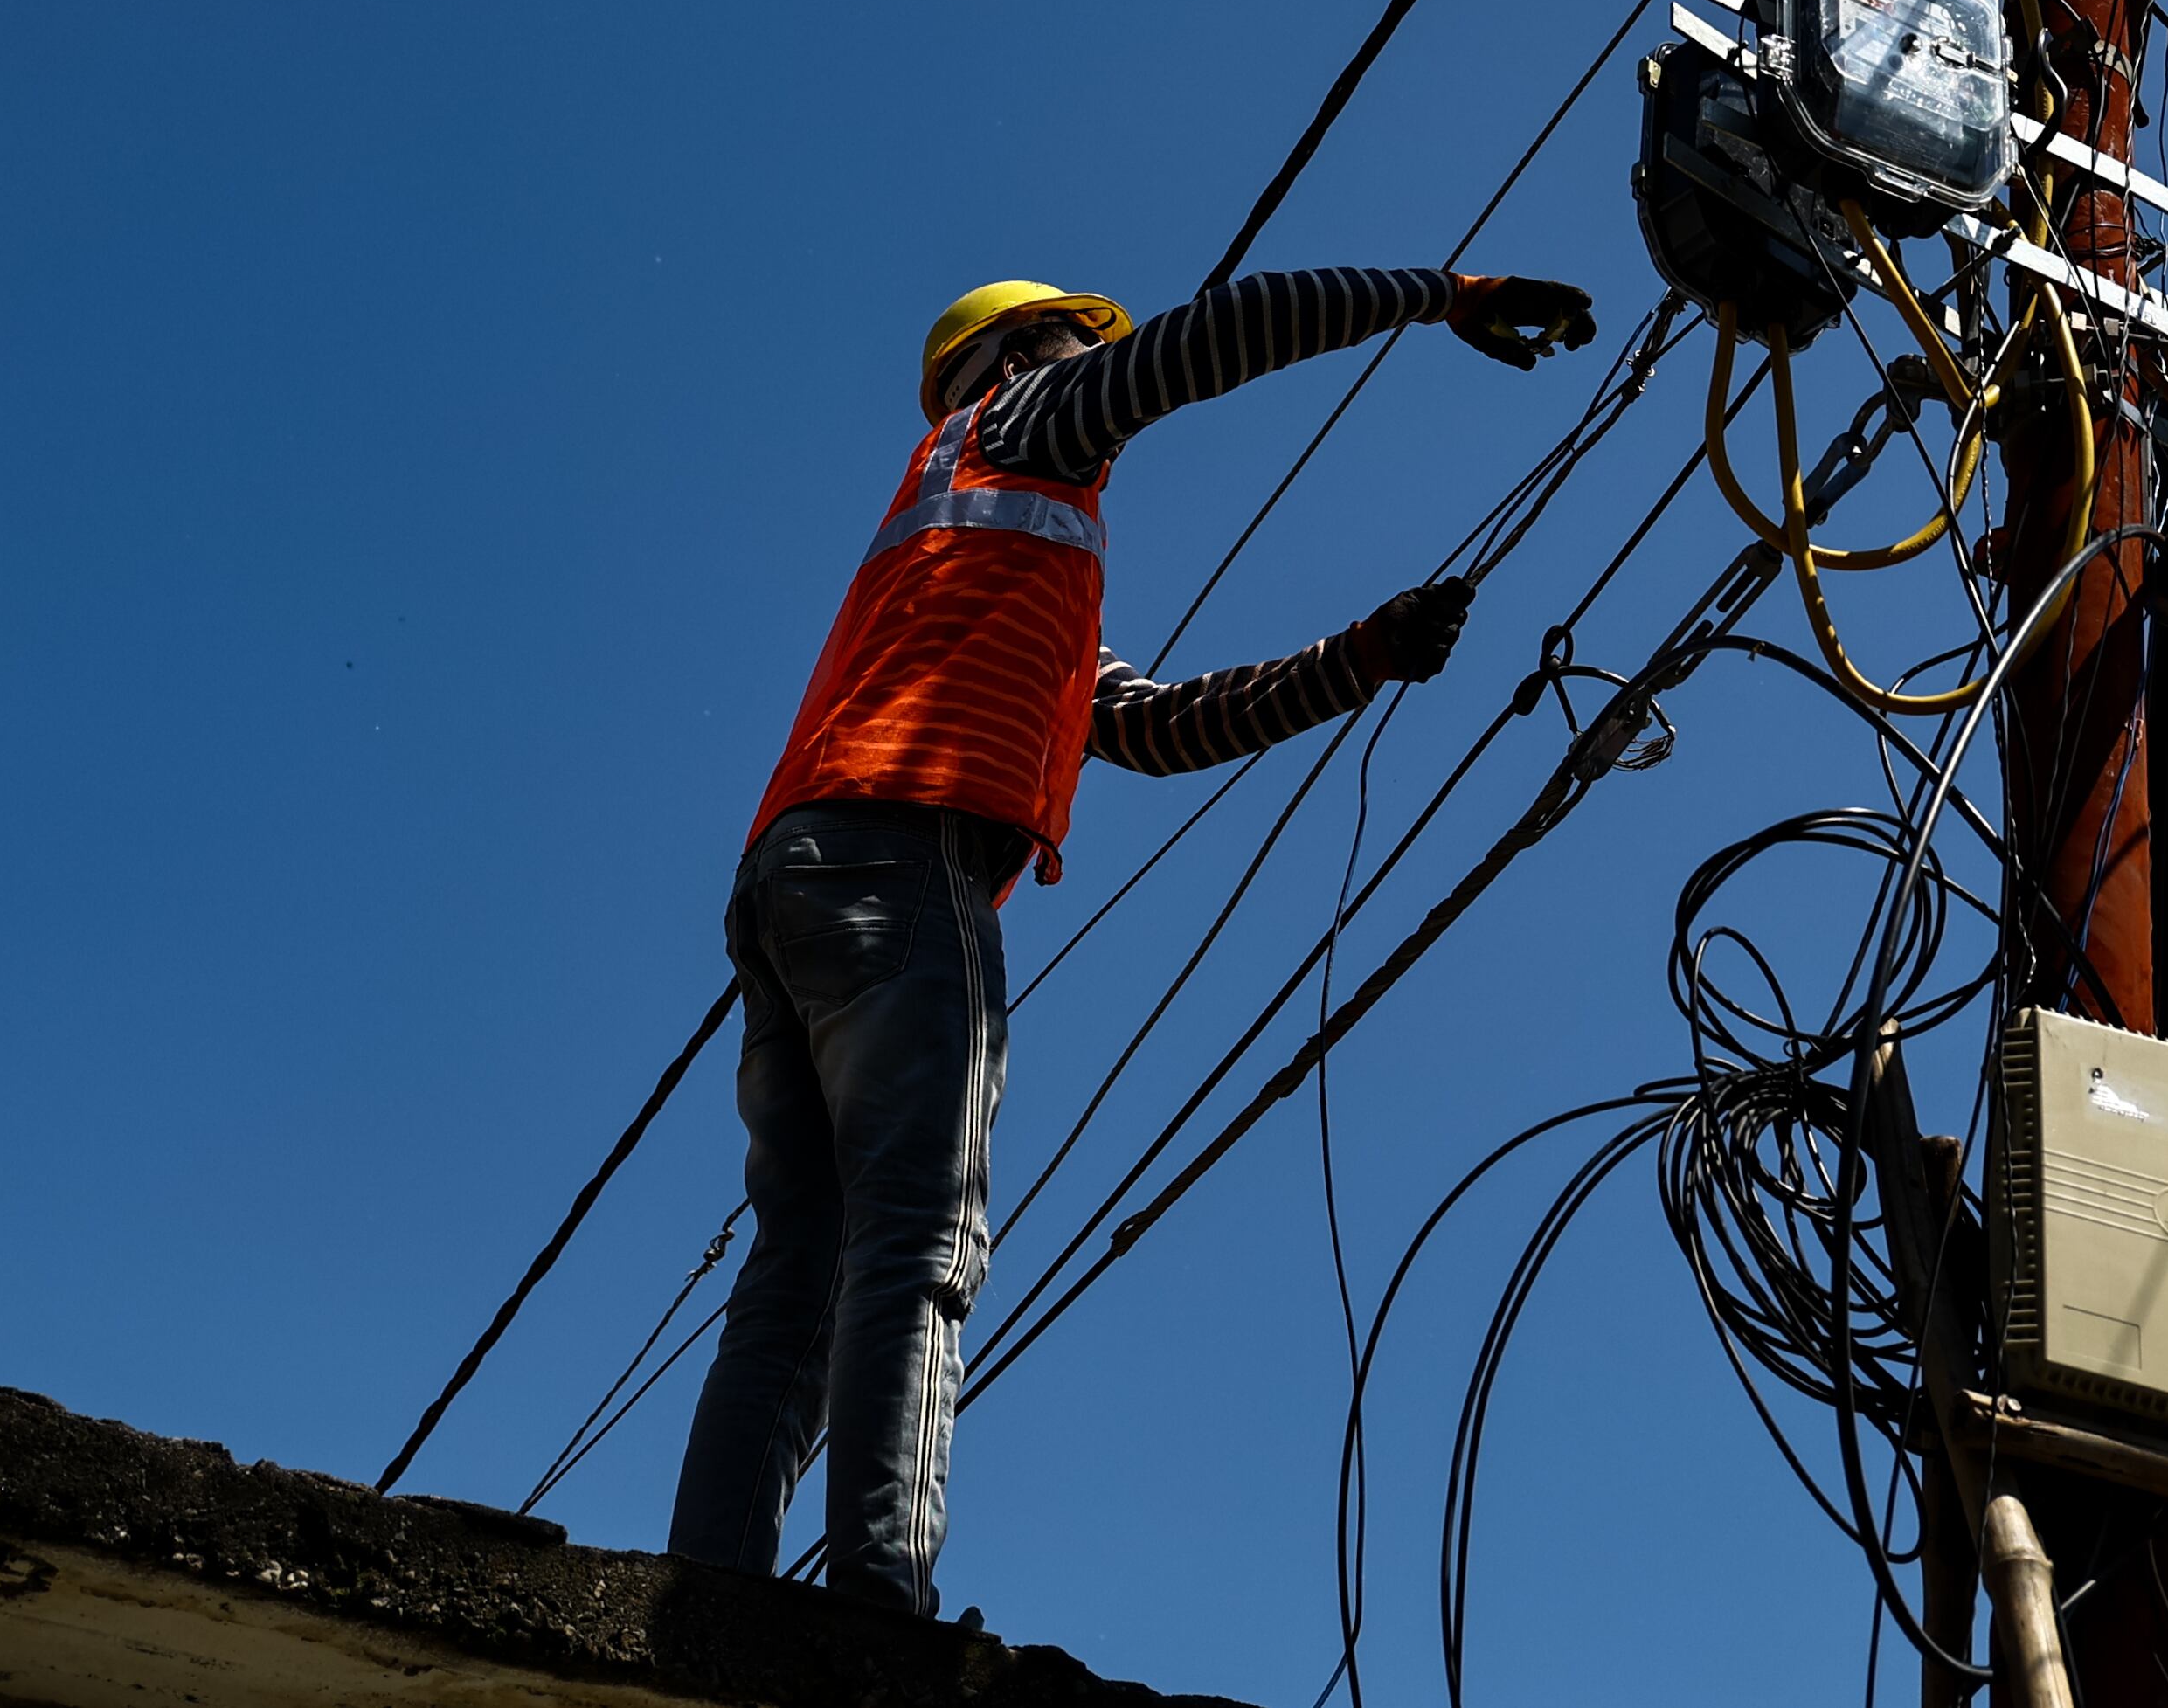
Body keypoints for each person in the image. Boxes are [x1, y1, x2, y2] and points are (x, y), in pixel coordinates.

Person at [667, 262, 1597, 1612]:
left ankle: (708, 1606)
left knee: (797, 1278)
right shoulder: (1022, 422)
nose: (1084, 360)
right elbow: (1202, 340)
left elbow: (1154, 727)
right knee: (921, 1236)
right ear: (1013, 357)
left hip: (795, 878)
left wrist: (1359, 656)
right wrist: (1435, 294)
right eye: (1066, 339)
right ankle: (877, 1621)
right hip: (908, 853)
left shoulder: (985, 544)